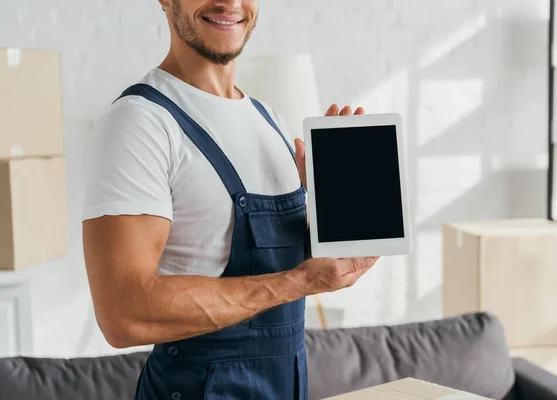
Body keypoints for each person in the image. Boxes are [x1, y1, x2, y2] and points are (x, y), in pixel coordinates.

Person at [81, 0, 379, 398]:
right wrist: (297, 282)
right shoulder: (139, 124)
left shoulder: (267, 118)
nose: (229, 2)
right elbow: (123, 315)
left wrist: (336, 211)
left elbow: (289, 263)